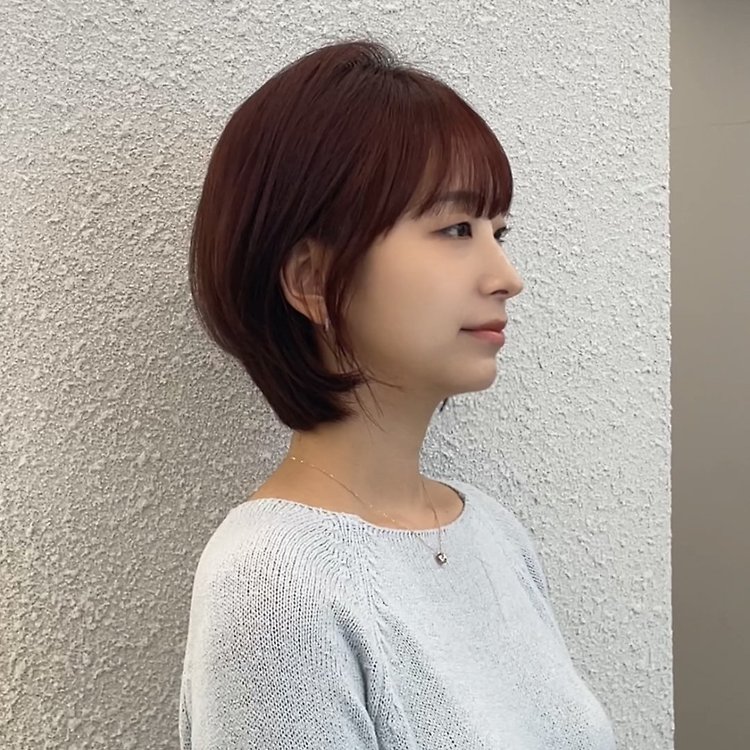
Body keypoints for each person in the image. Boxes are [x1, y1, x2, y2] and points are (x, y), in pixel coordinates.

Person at [178, 37, 617, 750]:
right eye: (456, 228)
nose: (507, 276)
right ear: (312, 279)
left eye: (499, 230)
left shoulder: (494, 535)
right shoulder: (273, 585)